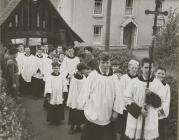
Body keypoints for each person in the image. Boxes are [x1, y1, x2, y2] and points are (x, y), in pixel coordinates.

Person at [78, 52, 124, 140]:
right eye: (103, 62)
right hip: (92, 115)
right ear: (99, 62)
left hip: (107, 116)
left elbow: (119, 96)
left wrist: (116, 112)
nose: (105, 65)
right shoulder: (93, 75)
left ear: (110, 63)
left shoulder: (114, 78)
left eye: (107, 63)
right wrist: (83, 106)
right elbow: (84, 92)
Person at [124, 58, 164, 140]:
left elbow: (160, 103)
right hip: (136, 118)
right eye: (146, 67)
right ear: (141, 68)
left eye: (151, 67)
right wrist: (139, 110)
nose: (149, 70)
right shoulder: (133, 82)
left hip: (150, 118)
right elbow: (126, 99)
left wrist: (151, 94)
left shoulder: (157, 84)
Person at [118, 59, 139, 139]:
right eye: (132, 68)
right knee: (124, 126)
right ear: (129, 67)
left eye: (136, 68)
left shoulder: (139, 79)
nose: (134, 70)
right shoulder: (124, 78)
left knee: (134, 126)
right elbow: (121, 93)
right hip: (125, 106)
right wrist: (125, 105)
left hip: (135, 106)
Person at [67, 63, 89, 134]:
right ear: (81, 70)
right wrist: (76, 100)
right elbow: (73, 91)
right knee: (74, 112)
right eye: (85, 69)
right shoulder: (74, 79)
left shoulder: (84, 77)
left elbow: (86, 87)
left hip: (82, 98)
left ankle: (78, 126)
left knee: (80, 113)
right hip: (75, 99)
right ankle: (72, 127)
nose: (86, 71)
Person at [155, 66, 170, 140]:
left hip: (161, 113)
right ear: (155, 73)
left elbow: (167, 100)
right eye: (159, 73)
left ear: (165, 75)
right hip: (151, 113)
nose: (160, 75)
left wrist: (160, 111)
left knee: (161, 134)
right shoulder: (151, 84)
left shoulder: (166, 86)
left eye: (162, 74)